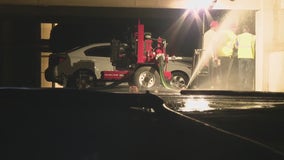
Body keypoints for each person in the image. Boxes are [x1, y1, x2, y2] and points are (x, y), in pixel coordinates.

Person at [215, 23, 237, 89]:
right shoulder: (233, 35)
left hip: (220, 56)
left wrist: (215, 56)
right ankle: (223, 86)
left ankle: (221, 86)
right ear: (232, 28)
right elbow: (236, 46)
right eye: (235, 27)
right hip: (226, 56)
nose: (236, 29)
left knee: (220, 71)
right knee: (225, 72)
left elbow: (216, 43)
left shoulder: (223, 32)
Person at [235, 25, 256, 90]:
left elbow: (236, 46)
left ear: (243, 30)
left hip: (241, 56)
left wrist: (240, 48)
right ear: (248, 30)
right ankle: (248, 86)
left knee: (241, 71)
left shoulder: (238, 36)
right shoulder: (253, 36)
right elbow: (255, 46)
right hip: (249, 56)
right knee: (249, 71)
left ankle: (242, 86)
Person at [202, 20, 220, 88]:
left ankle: (207, 85)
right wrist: (216, 57)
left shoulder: (206, 33)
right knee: (213, 71)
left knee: (208, 71)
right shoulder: (214, 34)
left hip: (205, 54)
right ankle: (212, 85)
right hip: (212, 54)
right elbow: (215, 46)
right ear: (215, 26)